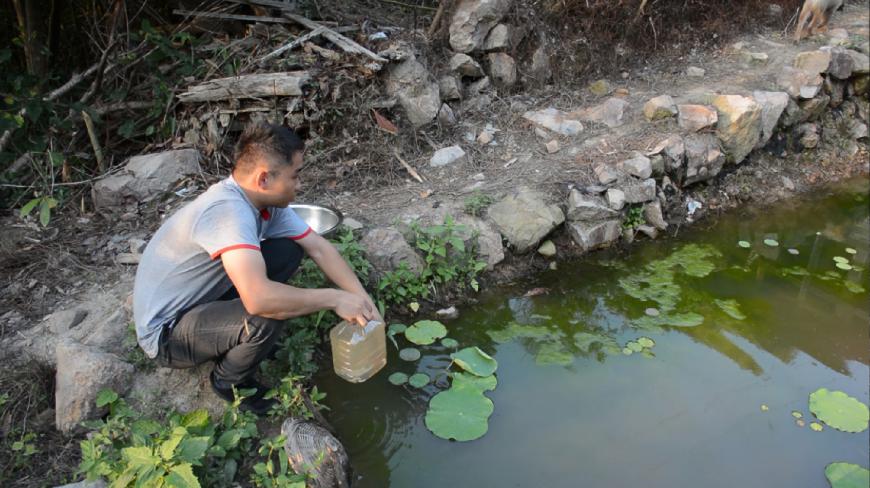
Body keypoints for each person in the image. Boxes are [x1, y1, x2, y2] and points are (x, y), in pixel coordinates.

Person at [133, 123, 380, 414]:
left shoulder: (263, 203)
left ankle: (235, 336)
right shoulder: (228, 214)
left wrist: (364, 301)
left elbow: (318, 246)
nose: (299, 185)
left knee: (288, 249)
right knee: (265, 314)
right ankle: (227, 381)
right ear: (264, 179)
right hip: (167, 333)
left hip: (200, 302)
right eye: (295, 175)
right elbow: (260, 300)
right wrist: (336, 298)